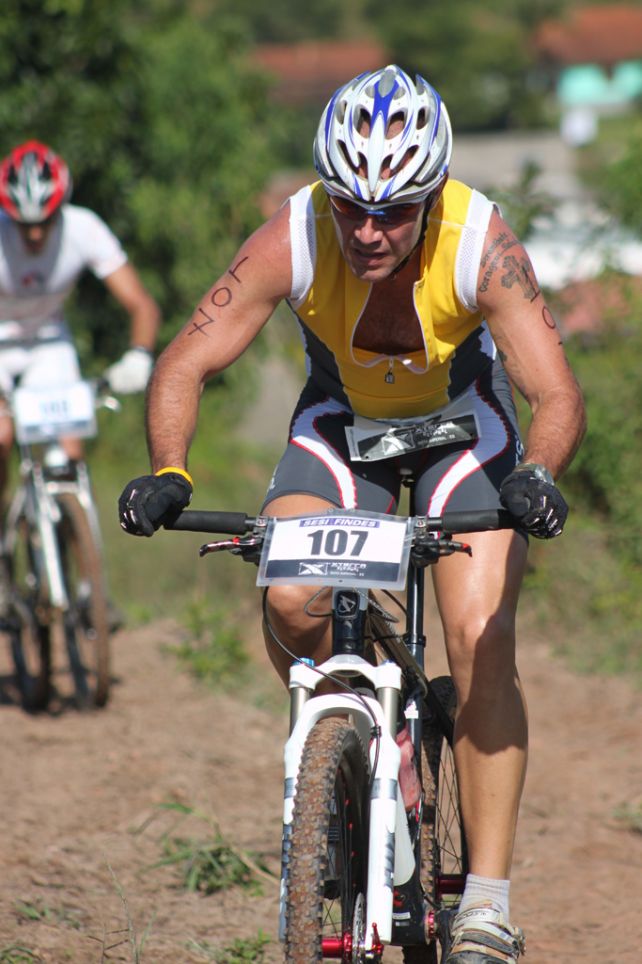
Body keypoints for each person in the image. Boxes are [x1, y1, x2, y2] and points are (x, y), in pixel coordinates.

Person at [118, 65, 586, 963]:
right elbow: (185, 360)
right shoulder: (292, 233)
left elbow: (554, 390)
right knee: (291, 596)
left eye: (395, 210)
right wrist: (168, 470)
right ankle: (367, 737)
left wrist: (538, 473)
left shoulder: (479, 239)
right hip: (342, 426)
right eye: (350, 207)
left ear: (432, 193)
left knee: (477, 628)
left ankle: (486, 904)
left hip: (466, 433)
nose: (369, 231)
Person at [0, 139, 160, 501]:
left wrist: (139, 354)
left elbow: (140, 303)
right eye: (24, 226)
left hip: (47, 341)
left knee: (69, 451)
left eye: (45, 221)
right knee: (2, 437)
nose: (36, 234)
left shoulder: (84, 228)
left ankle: (68, 531)